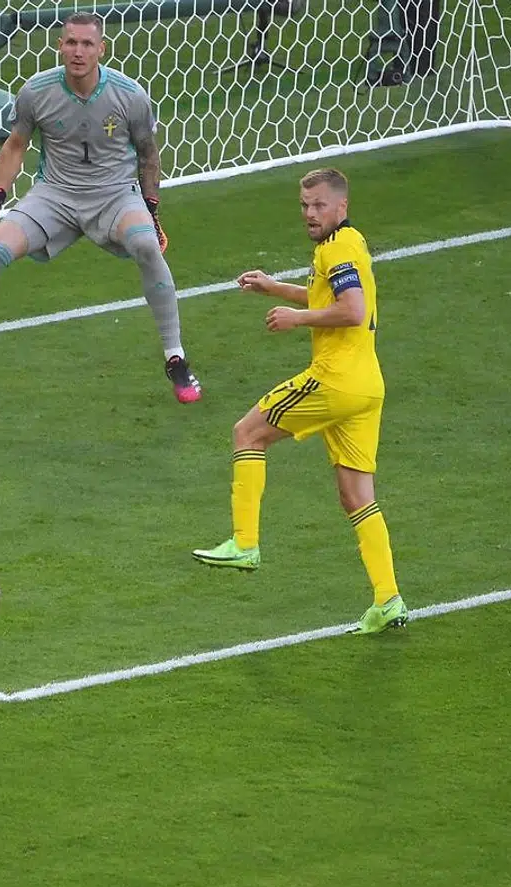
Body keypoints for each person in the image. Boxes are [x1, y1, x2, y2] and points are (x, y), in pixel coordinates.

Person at [0, 12, 202, 403]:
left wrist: (151, 210)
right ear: (59, 45)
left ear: (101, 49)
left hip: (114, 195)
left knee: (147, 247)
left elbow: (149, 154)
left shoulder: (130, 94)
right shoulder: (37, 91)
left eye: (86, 44)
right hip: (55, 196)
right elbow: (15, 145)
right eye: (71, 42)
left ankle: (176, 358)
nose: (78, 51)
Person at [192, 168, 408, 634]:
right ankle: (388, 598)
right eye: (305, 206)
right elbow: (332, 292)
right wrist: (276, 288)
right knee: (356, 496)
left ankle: (245, 542)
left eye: (319, 206)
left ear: (341, 207)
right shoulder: (347, 243)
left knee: (247, 433)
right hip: (368, 386)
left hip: (335, 381)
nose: (310, 214)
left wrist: (296, 318)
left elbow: (353, 311)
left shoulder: (337, 248)